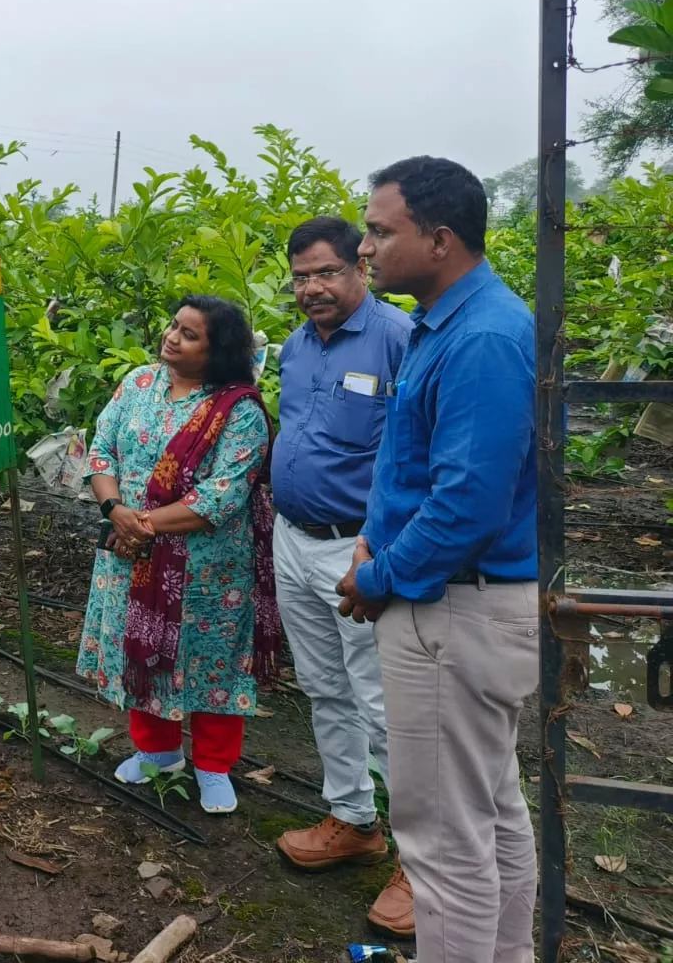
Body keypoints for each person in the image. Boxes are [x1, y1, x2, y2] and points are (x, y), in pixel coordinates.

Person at [337, 157, 539, 963]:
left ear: (441, 238)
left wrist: (377, 576)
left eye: (382, 231)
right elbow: (416, 465)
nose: (366, 248)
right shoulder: (448, 322)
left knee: (441, 841)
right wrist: (372, 536)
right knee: (489, 812)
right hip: (453, 601)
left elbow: (468, 504)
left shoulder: (484, 336)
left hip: (452, 609)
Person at [267, 217, 415, 936]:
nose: (312, 289)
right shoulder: (297, 347)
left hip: (356, 548)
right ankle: (354, 818)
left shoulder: (396, 339)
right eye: (300, 277)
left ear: (360, 265)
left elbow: (410, 455)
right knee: (325, 688)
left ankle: (423, 859)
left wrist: (378, 550)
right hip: (292, 538)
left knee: (384, 704)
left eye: (326, 273)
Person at [77, 294, 279, 816]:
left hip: (205, 568)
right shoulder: (139, 384)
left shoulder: (239, 411)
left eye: (190, 335)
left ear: (218, 352)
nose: (172, 337)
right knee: (141, 651)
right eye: (174, 326)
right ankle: (159, 752)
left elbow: (222, 496)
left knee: (207, 662)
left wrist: (136, 524)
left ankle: (213, 765)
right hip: (129, 552)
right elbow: (102, 449)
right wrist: (115, 509)